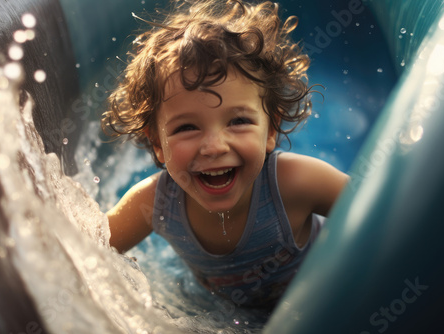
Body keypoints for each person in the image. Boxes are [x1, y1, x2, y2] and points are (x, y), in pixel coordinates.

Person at [102, 0, 348, 308]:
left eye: (239, 121)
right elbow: (87, 250)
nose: (215, 146)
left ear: (270, 130)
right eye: (186, 127)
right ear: (157, 144)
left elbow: (386, 212)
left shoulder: (296, 182)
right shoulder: (155, 203)